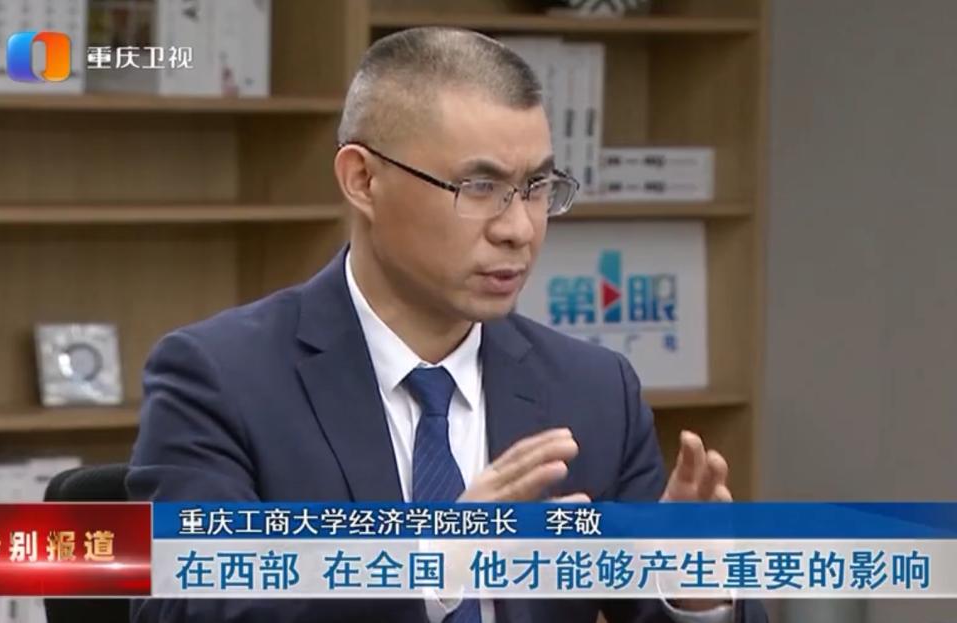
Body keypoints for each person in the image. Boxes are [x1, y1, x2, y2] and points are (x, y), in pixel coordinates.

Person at [128, 27, 767, 623]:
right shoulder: (221, 379)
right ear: (363, 180)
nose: (518, 229)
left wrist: (693, 589)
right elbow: (185, 603)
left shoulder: (593, 390)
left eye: (537, 186)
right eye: (479, 186)